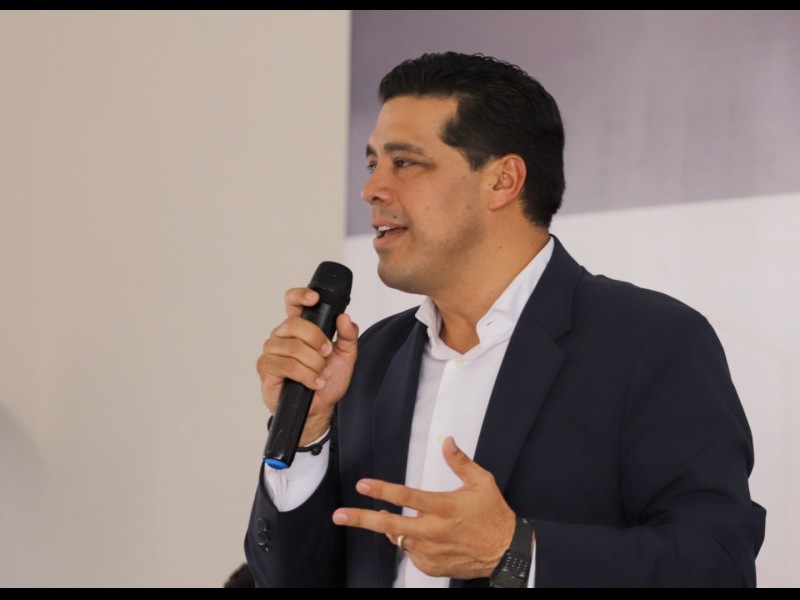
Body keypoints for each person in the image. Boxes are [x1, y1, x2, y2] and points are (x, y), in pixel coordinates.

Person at [244, 51, 765, 588]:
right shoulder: (371, 357)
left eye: (406, 162)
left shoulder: (649, 340)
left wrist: (515, 551)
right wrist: (308, 433)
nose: (371, 189)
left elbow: (716, 564)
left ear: (502, 181)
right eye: (373, 163)